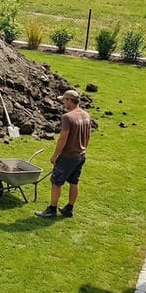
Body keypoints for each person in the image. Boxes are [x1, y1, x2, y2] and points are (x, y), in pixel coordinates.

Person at [36, 90, 91, 219]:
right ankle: (69, 208)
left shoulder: (68, 117)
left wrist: (55, 155)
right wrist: (84, 149)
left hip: (68, 156)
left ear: (70, 101)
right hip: (80, 155)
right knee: (74, 181)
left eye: (64, 100)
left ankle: (52, 210)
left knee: (56, 182)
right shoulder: (86, 115)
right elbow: (88, 135)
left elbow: (63, 138)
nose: (63, 103)